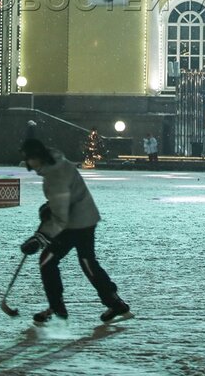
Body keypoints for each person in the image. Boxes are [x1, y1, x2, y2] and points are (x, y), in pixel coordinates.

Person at [19, 138, 130, 325]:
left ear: (37, 158)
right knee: (87, 262)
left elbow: (60, 216)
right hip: (82, 218)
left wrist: (40, 238)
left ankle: (57, 307)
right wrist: (50, 207)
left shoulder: (54, 176)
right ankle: (114, 302)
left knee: (51, 261)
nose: (28, 163)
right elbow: (65, 200)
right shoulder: (58, 164)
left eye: (29, 158)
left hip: (77, 223)